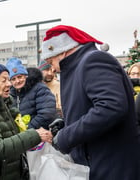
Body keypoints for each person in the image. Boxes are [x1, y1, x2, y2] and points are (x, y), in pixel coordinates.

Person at [40, 25, 140, 180]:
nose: (51, 68)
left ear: (63, 51)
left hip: (112, 165)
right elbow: (90, 107)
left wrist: (67, 136)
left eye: (50, 60)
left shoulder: (93, 60)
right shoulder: (80, 65)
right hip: (100, 161)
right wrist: (66, 123)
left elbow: (111, 107)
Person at [6, 57, 57, 130]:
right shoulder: (10, 94)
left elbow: (47, 114)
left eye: (20, 77)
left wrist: (27, 130)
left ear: (25, 76)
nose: (17, 81)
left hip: (39, 135)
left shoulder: (40, 88)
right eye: (13, 79)